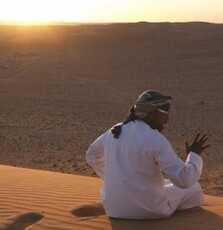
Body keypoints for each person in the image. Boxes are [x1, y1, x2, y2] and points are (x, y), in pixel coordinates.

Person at [86, 90, 209, 219]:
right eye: (165, 113)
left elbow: (92, 155)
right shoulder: (156, 140)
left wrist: (117, 178)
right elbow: (184, 180)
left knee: (165, 183)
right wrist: (194, 155)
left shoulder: (115, 131)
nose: (167, 119)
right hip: (150, 210)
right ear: (151, 114)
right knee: (194, 187)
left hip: (114, 209)